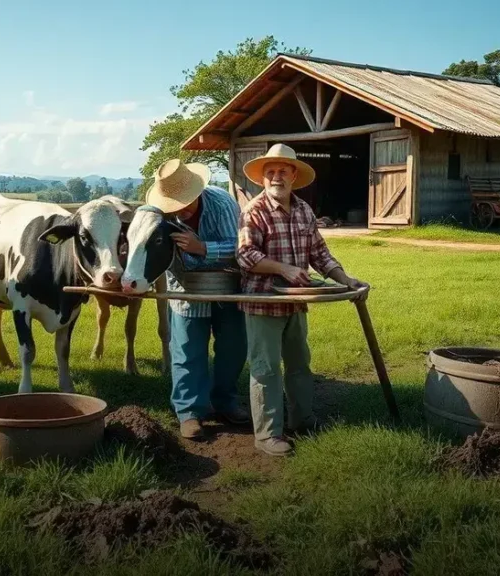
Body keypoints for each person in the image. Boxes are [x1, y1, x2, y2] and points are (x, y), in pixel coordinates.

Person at [235, 144, 369, 457]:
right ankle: (268, 435)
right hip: (263, 302)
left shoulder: (304, 210)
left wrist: (346, 280)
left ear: (294, 175)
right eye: (270, 172)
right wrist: (283, 268)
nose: (275, 177)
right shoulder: (254, 211)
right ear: (263, 178)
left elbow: (319, 254)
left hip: (296, 301)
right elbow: (244, 255)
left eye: (282, 171)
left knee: (299, 364)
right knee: (266, 369)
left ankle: (302, 421)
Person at [145, 158, 250, 439]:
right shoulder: (158, 215)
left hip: (227, 284)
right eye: (176, 204)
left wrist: (202, 247)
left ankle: (225, 401)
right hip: (185, 288)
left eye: (187, 200)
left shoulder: (221, 203)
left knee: (233, 347)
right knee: (187, 350)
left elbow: (240, 246)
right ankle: (189, 411)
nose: (183, 208)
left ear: (198, 190)